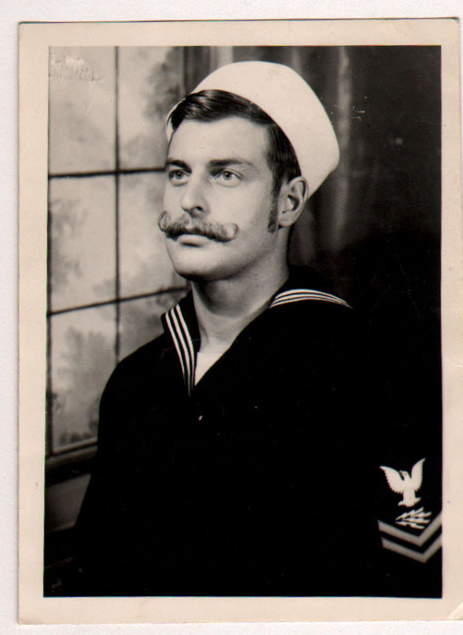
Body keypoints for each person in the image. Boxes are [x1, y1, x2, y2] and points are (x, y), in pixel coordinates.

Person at [74, 61, 383, 597]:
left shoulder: (354, 371)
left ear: (288, 202)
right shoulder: (136, 383)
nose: (189, 200)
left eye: (226, 174)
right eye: (179, 173)